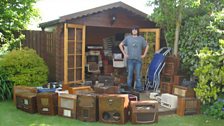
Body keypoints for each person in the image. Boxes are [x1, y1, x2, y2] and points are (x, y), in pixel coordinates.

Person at [119, 25, 149, 92]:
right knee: (129, 75)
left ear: (137, 31)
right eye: (133, 29)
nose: (134, 30)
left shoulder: (141, 38)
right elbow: (120, 45)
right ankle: (128, 88)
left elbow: (147, 46)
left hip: (138, 60)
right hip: (130, 60)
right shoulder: (128, 38)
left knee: (138, 75)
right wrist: (124, 54)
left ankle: (139, 89)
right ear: (131, 31)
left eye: (135, 29)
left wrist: (144, 55)